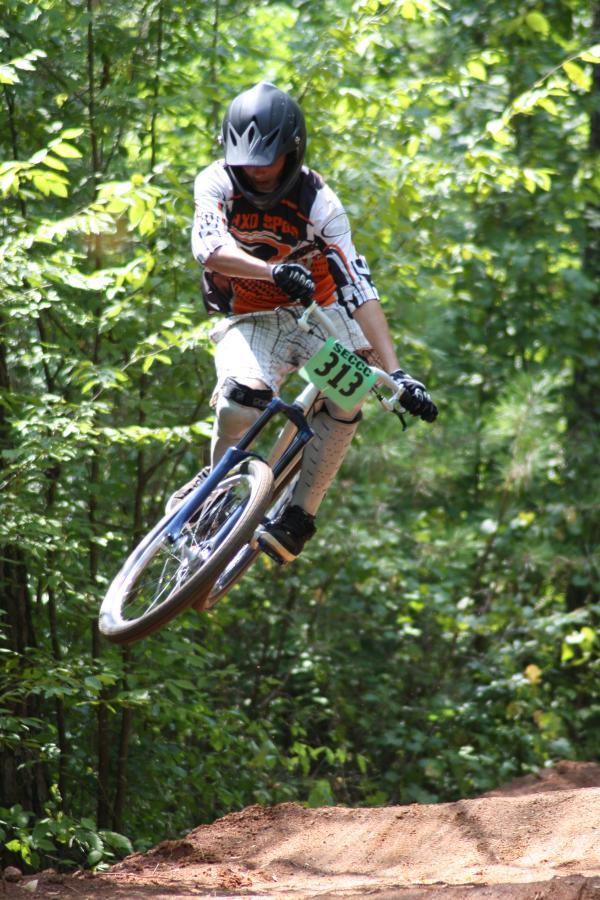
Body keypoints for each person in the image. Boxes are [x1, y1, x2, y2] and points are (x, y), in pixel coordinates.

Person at [167, 82, 437, 562]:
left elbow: (358, 285)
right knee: (239, 405)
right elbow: (208, 249)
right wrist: (272, 272)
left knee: (351, 391)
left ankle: (298, 516)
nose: (256, 171)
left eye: (267, 160)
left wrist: (397, 373)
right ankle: (212, 500)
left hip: (320, 318)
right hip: (251, 316)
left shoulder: (320, 203)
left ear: (292, 152)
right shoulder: (216, 183)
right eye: (246, 159)